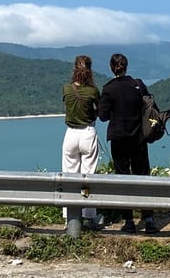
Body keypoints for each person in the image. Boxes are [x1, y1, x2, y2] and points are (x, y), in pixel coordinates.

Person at [97, 53, 159, 234]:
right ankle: (148, 220)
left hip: (119, 139)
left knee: (122, 178)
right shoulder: (138, 85)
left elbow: (102, 116)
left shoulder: (109, 89)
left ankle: (129, 221)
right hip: (138, 139)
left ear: (111, 67)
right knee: (143, 177)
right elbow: (151, 108)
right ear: (126, 66)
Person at [61, 54, 102, 230]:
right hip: (87, 133)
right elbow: (98, 111)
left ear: (74, 69)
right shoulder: (93, 91)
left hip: (70, 134)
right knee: (88, 176)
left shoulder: (66, 89)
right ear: (90, 70)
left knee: (69, 175)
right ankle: (89, 216)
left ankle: (69, 217)